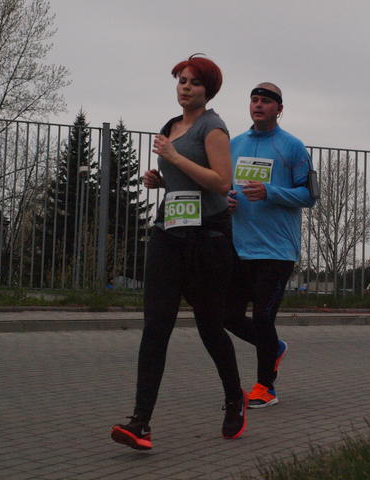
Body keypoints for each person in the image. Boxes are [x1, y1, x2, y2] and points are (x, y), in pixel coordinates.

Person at [111, 55, 247, 450]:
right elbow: (182, 178)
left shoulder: (213, 128)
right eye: (181, 80)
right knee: (156, 326)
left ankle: (234, 398)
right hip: (168, 233)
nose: (185, 87)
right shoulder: (170, 127)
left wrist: (174, 158)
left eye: (194, 82)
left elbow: (221, 183)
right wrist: (160, 178)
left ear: (208, 90)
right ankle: (140, 422)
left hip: (208, 237)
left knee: (209, 326)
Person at [224, 82, 315, 408]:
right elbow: (224, 186)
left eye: (265, 101)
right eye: (254, 100)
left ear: (279, 109)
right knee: (227, 315)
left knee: (263, 318)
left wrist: (270, 192)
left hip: (276, 250)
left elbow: (309, 195)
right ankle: (273, 347)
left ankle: (266, 387)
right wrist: (225, 200)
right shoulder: (235, 144)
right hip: (239, 247)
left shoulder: (292, 147)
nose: (258, 105)